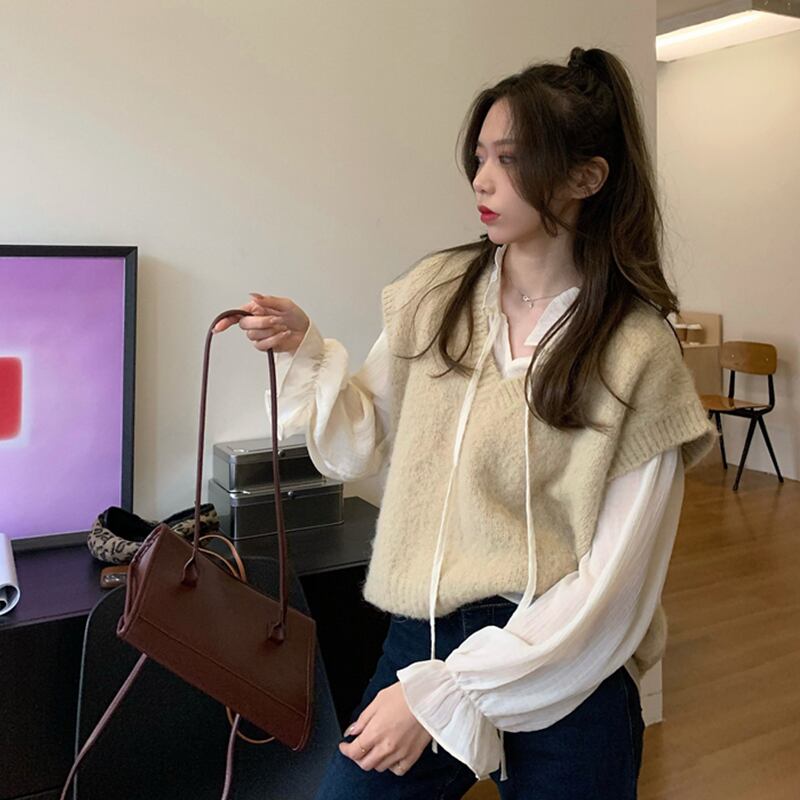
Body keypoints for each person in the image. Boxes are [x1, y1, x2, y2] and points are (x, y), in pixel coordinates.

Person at [215, 46, 718, 800]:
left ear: (587, 178)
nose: (482, 179)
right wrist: (307, 351)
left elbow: (615, 585)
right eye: (479, 156)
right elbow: (361, 439)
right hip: (423, 635)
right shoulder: (437, 294)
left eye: (510, 159)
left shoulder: (637, 350)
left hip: (568, 659)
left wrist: (450, 692)